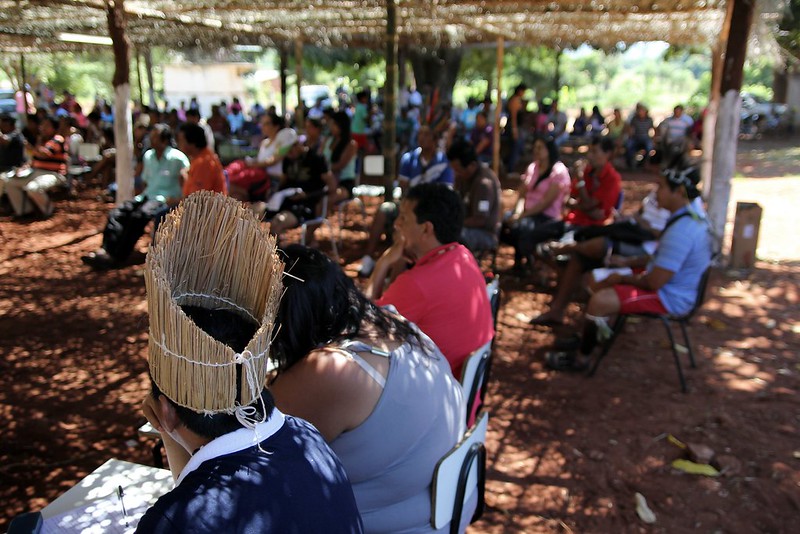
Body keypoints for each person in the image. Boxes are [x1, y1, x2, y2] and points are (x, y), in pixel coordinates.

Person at [138, 192, 363, 533]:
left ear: (166, 412)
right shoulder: (307, 436)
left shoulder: (176, 520)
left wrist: (167, 426)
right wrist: (168, 425)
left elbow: (189, 503)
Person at [269, 244, 465, 533]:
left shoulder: (331, 372)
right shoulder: (391, 322)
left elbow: (257, 444)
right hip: (443, 507)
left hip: (397, 523)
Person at [543, 164, 712, 371]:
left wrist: (620, 278)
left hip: (670, 297)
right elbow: (662, 259)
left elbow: (654, 282)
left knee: (601, 300)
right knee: (597, 279)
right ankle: (589, 337)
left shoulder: (681, 231)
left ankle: (581, 359)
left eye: (661, 187)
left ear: (678, 192)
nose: (656, 192)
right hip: (670, 286)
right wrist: (628, 263)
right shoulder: (687, 218)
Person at [366, 182, 494, 380]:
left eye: (404, 218)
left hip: (431, 392)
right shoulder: (463, 255)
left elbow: (365, 330)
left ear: (426, 229)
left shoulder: (417, 284)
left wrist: (383, 263)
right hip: (464, 389)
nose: (397, 224)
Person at [81, 124, 190, 269]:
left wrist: (178, 200)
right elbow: (144, 181)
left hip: (164, 199)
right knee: (117, 213)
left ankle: (118, 256)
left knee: (139, 216)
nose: (151, 140)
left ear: (164, 140)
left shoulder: (178, 158)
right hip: (147, 196)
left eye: (155, 137)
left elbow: (186, 182)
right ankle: (106, 249)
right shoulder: (149, 156)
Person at [357, 125, 453, 276]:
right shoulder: (409, 158)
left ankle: (397, 275)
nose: (421, 138)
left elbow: (444, 196)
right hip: (408, 206)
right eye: (420, 134)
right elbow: (403, 189)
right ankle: (368, 257)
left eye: (426, 135)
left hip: (431, 213)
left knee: (409, 229)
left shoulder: (444, 163)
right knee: (384, 210)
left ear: (435, 139)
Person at [521, 137, 622, 278]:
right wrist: (584, 206)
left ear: (608, 154)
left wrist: (580, 184)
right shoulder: (587, 172)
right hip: (571, 221)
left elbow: (593, 209)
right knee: (528, 237)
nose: (590, 155)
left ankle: (565, 278)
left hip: (590, 227)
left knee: (560, 250)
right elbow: (568, 200)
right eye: (590, 151)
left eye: (594, 152)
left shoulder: (612, 179)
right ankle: (558, 273)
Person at [502, 136, 571, 271]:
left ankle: (526, 261)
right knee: (503, 225)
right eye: (535, 147)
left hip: (546, 216)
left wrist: (522, 216)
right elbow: (522, 193)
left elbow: (545, 203)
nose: (536, 151)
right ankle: (523, 259)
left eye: (540, 148)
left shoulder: (558, 172)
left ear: (549, 150)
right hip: (526, 213)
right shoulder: (533, 167)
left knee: (521, 228)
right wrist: (518, 212)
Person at [264, 135, 336, 241]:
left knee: (277, 223)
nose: (288, 155)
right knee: (255, 212)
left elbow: (331, 187)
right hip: (286, 201)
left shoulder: (316, 158)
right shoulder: (287, 159)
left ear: (297, 144)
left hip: (305, 205)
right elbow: (283, 182)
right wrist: (274, 193)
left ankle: (277, 250)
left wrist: (307, 195)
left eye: (290, 151)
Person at [2, 115, 67, 218]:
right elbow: (33, 160)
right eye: (42, 125)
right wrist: (24, 168)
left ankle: (48, 211)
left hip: (53, 174)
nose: (43, 128)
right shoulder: (40, 140)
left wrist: (30, 147)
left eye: (47, 126)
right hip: (35, 172)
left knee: (33, 188)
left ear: (54, 128)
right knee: (10, 182)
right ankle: (25, 211)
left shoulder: (57, 139)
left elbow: (44, 154)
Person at [447, 138, 502, 254]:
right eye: (454, 170)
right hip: (464, 226)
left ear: (472, 165)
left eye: (458, 170)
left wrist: (454, 224)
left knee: (454, 237)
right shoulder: (462, 178)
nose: (456, 174)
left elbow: (480, 220)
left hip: (485, 233)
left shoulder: (484, 184)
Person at [227, 112, 296, 202]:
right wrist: (250, 163)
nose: (262, 126)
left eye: (266, 124)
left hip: (270, 178)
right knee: (236, 166)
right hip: (259, 173)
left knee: (239, 178)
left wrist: (253, 164)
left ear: (276, 126)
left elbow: (273, 160)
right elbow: (259, 160)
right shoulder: (264, 142)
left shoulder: (281, 140)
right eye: (262, 123)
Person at [176, 122, 227, 197]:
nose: (178, 144)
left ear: (192, 143)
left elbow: (196, 198)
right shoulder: (200, 158)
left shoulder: (204, 163)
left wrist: (173, 201)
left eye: (181, 140)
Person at [323, 110, 358, 202]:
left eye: (334, 124)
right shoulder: (328, 140)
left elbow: (340, 165)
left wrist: (324, 169)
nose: (331, 127)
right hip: (328, 181)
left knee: (327, 200)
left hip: (345, 183)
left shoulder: (351, 144)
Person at [504, 83, 527, 172]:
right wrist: (514, 130)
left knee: (515, 147)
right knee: (515, 148)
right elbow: (513, 116)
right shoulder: (515, 100)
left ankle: (510, 166)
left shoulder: (518, 100)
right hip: (514, 127)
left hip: (516, 127)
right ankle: (510, 169)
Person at [625, 103, 655, 169]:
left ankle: (644, 163)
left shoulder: (649, 120)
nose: (640, 112)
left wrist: (653, 139)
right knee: (628, 146)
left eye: (642, 111)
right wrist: (630, 136)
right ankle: (630, 163)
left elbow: (653, 129)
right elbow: (630, 129)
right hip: (635, 137)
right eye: (639, 111)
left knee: (649, 147)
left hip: (646, 138)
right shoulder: (634, 119)